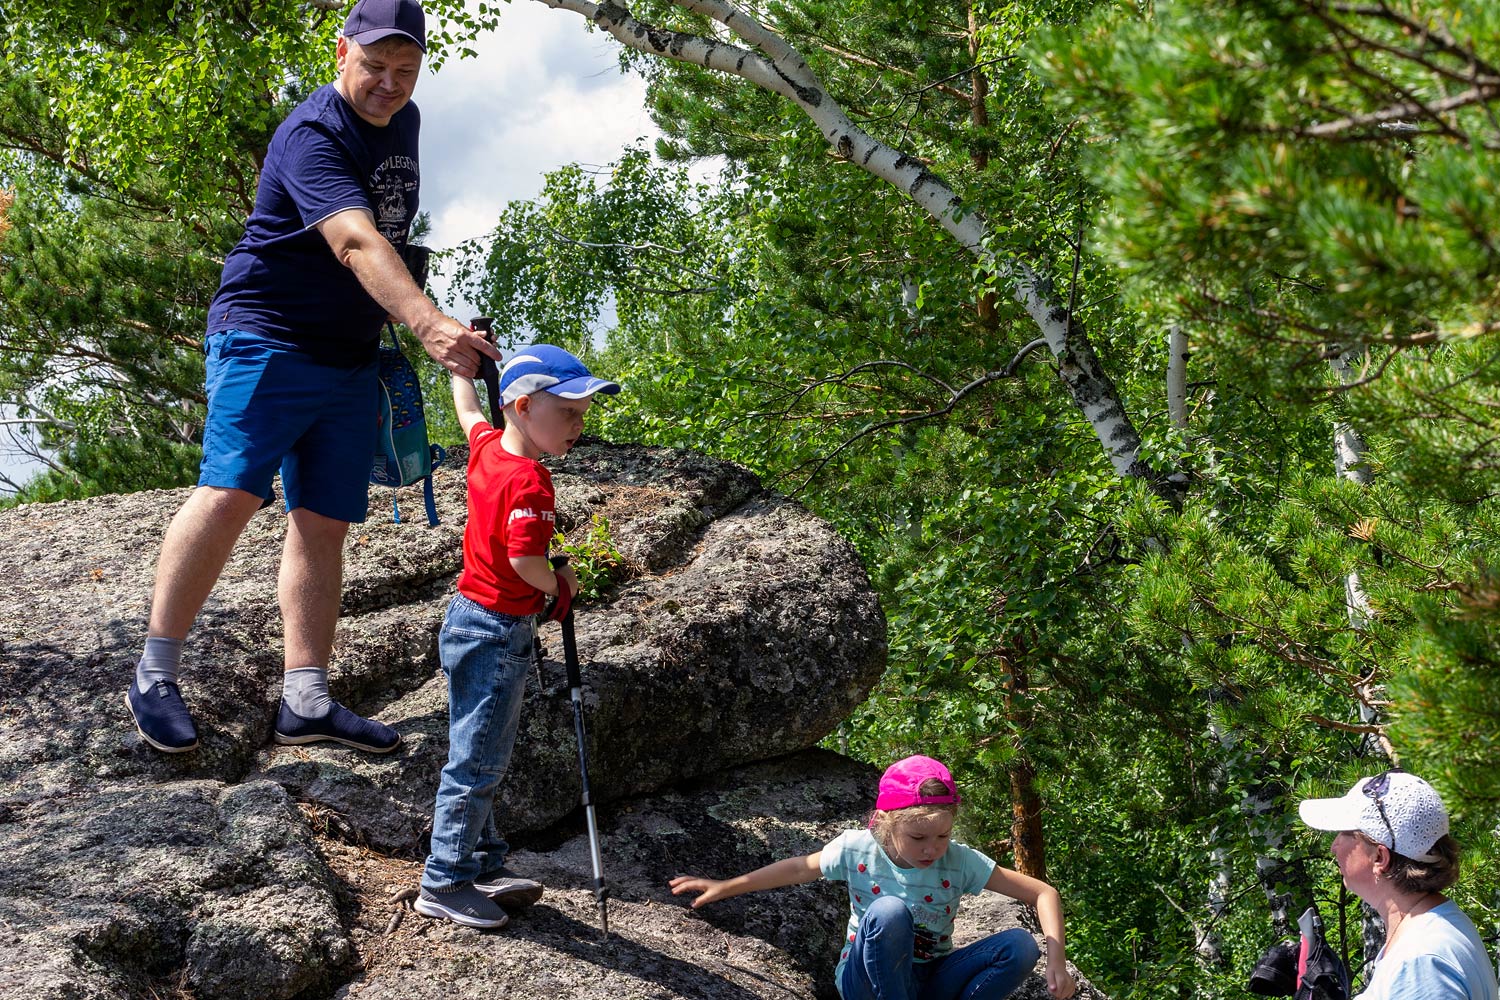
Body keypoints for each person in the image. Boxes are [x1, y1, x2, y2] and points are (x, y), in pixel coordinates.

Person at [124, 0, 501, 755]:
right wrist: (428, 325)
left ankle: (306, 699)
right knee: (232, 490)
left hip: (348, 352)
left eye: (406, 69)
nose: (389, 85)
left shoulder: (405, 121)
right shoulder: (311, 134)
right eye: (374, 66)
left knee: (324, 518)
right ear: (340, 53)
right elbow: (357, 240)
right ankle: (154, 673)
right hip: (266, 334)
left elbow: (390, 236)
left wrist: (429, 317)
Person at [413, 345, 620, 929]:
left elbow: (468, 412)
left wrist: (465, 373)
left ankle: (480, 862)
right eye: (570, 411)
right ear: (526, 406)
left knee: (475, 750)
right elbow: (525, 558)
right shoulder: (531, 482)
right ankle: (445, 880)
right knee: (477, 760)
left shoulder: (487, 452)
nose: (580, 425)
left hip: (466, 617)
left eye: (583, 413)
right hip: (499, 630)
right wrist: (558, 583)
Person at [670, 755, 1077, 1000]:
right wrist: (726, 886)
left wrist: (1056, 960)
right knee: (887, 912)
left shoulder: (959, 861)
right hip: (866, 980)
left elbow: (1042, 892)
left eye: (942, 835)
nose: (931, 849)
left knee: (1021, 946)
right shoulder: (857, 848)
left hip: (928, 979)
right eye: (918, 837)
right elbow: (798, 868)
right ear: (884, 822)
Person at [1299, 770, 1500, 1000]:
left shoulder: (1421, 963)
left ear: (1380, 858)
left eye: (1345, 833)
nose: (1334, 846)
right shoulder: (1434, 923)